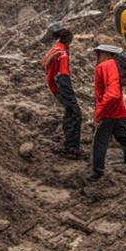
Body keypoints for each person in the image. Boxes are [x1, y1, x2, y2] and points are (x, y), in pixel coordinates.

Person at [90, 44, 126, 179]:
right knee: (123, 138)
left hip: (108, 111)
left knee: (100, 142)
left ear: (106, 54)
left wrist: (99, 113)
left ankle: (97, 173)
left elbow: (112, 93)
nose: (98, 57)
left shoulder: (105, 66)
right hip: (120, 111)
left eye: (99, 54)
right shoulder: (117, 68)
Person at [40, 23, 82, 158]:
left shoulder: (55, 49)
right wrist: (70, 95)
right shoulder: (62, 53)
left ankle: (70, 145)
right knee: (74, 114)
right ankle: (71, 148)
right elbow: (63, 76)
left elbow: (44, 63)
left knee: (70, 113)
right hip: (60, 86)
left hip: (53, 84)